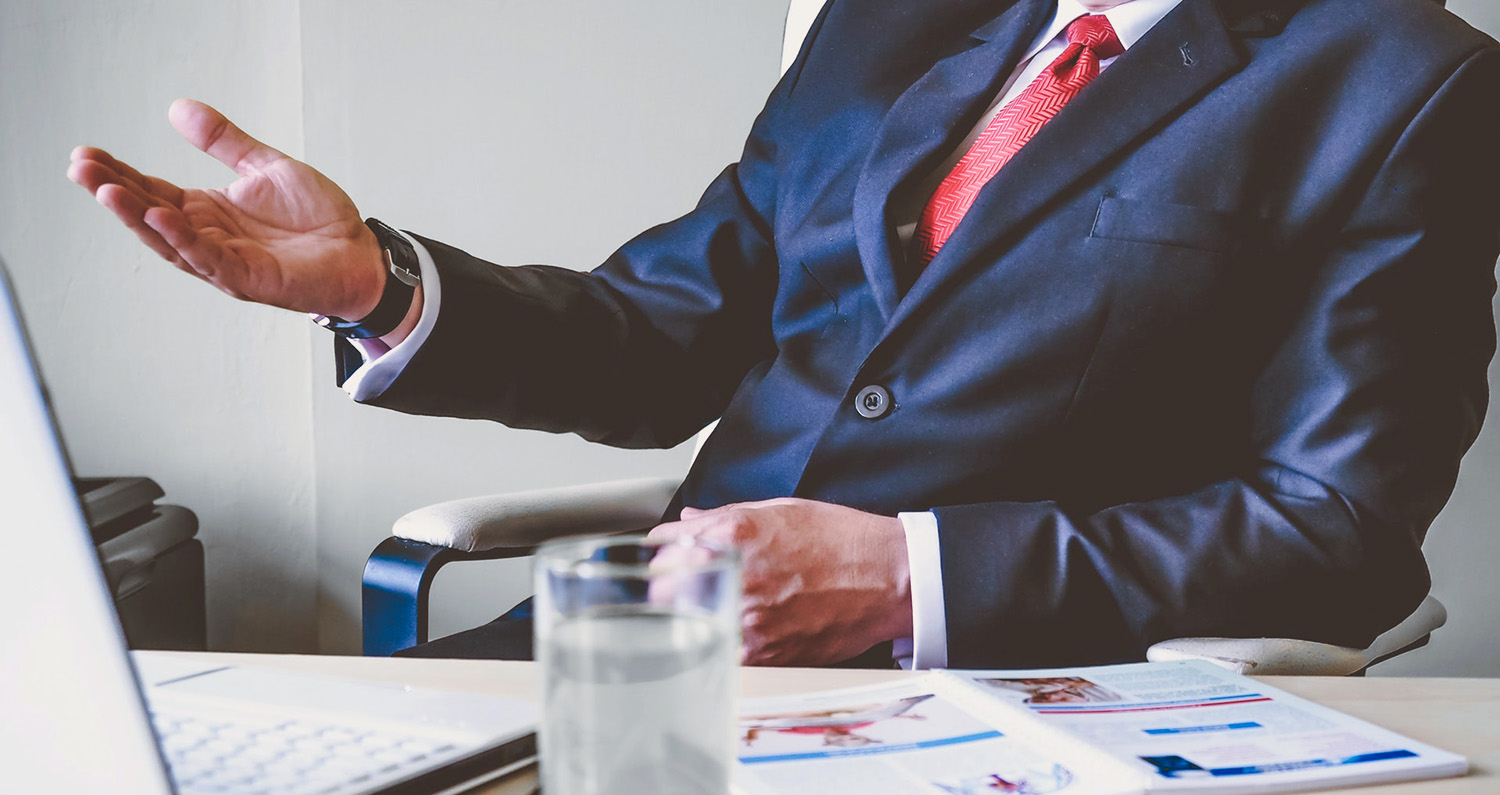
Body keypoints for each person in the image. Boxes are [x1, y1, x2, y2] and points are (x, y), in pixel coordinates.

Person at [67, 0, 1500, 670]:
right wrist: (378, 283)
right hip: (654, 645)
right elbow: (660, 335)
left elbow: (1337, 525)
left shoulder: (1405, 80)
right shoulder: (889, 21)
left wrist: (903, 579)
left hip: (1007, 696)